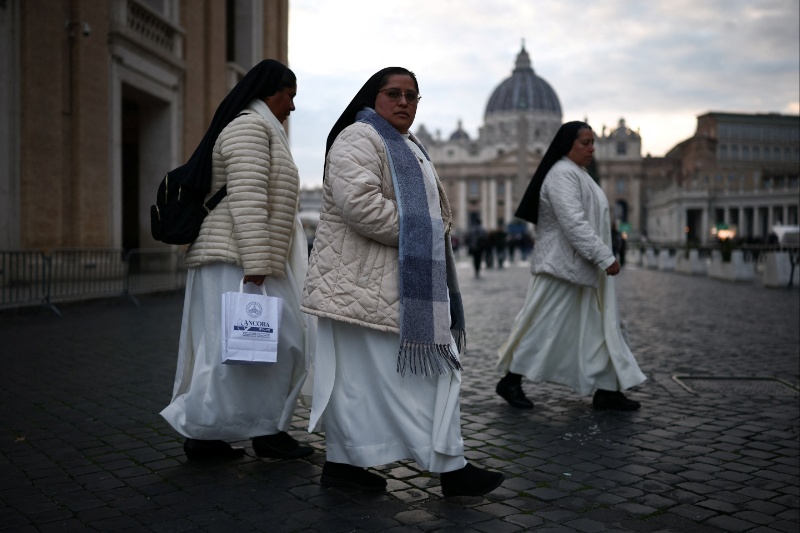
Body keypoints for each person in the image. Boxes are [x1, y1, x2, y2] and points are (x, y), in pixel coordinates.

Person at [301, 67, 504, 497]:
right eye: (394, 94)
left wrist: (430, 227)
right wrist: (429, 229)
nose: (404, 102)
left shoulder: (409, 145)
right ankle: (431, 466)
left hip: (392, 284)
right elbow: (361, 206)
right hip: (363, 284)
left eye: (413, 96)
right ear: (373, 97)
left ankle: (358, 464)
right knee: (375, 380)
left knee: (419, 374)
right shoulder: (358, 138)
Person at [160, 59, 316, 461]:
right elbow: (248, 199)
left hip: (245, 254)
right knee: (236, 349)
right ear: (270, 93)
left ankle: (259, 428)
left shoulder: (261, 128)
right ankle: (211, 431)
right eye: (290, 96)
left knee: (266, 347)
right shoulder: (249, 127)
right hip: (236, 256)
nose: (293, 107)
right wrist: (258, 262)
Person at [496, 121, 646, 411]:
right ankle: (511, 380)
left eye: (593, 142)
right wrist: (604, 256)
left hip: (581, 265)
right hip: (561, 267)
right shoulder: (561, 175)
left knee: (599, 326)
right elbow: (574, 223)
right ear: (567, 145)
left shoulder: (578, 173)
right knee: (543, 325)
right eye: (585, 143)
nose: (592, 148)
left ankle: (607, 389)